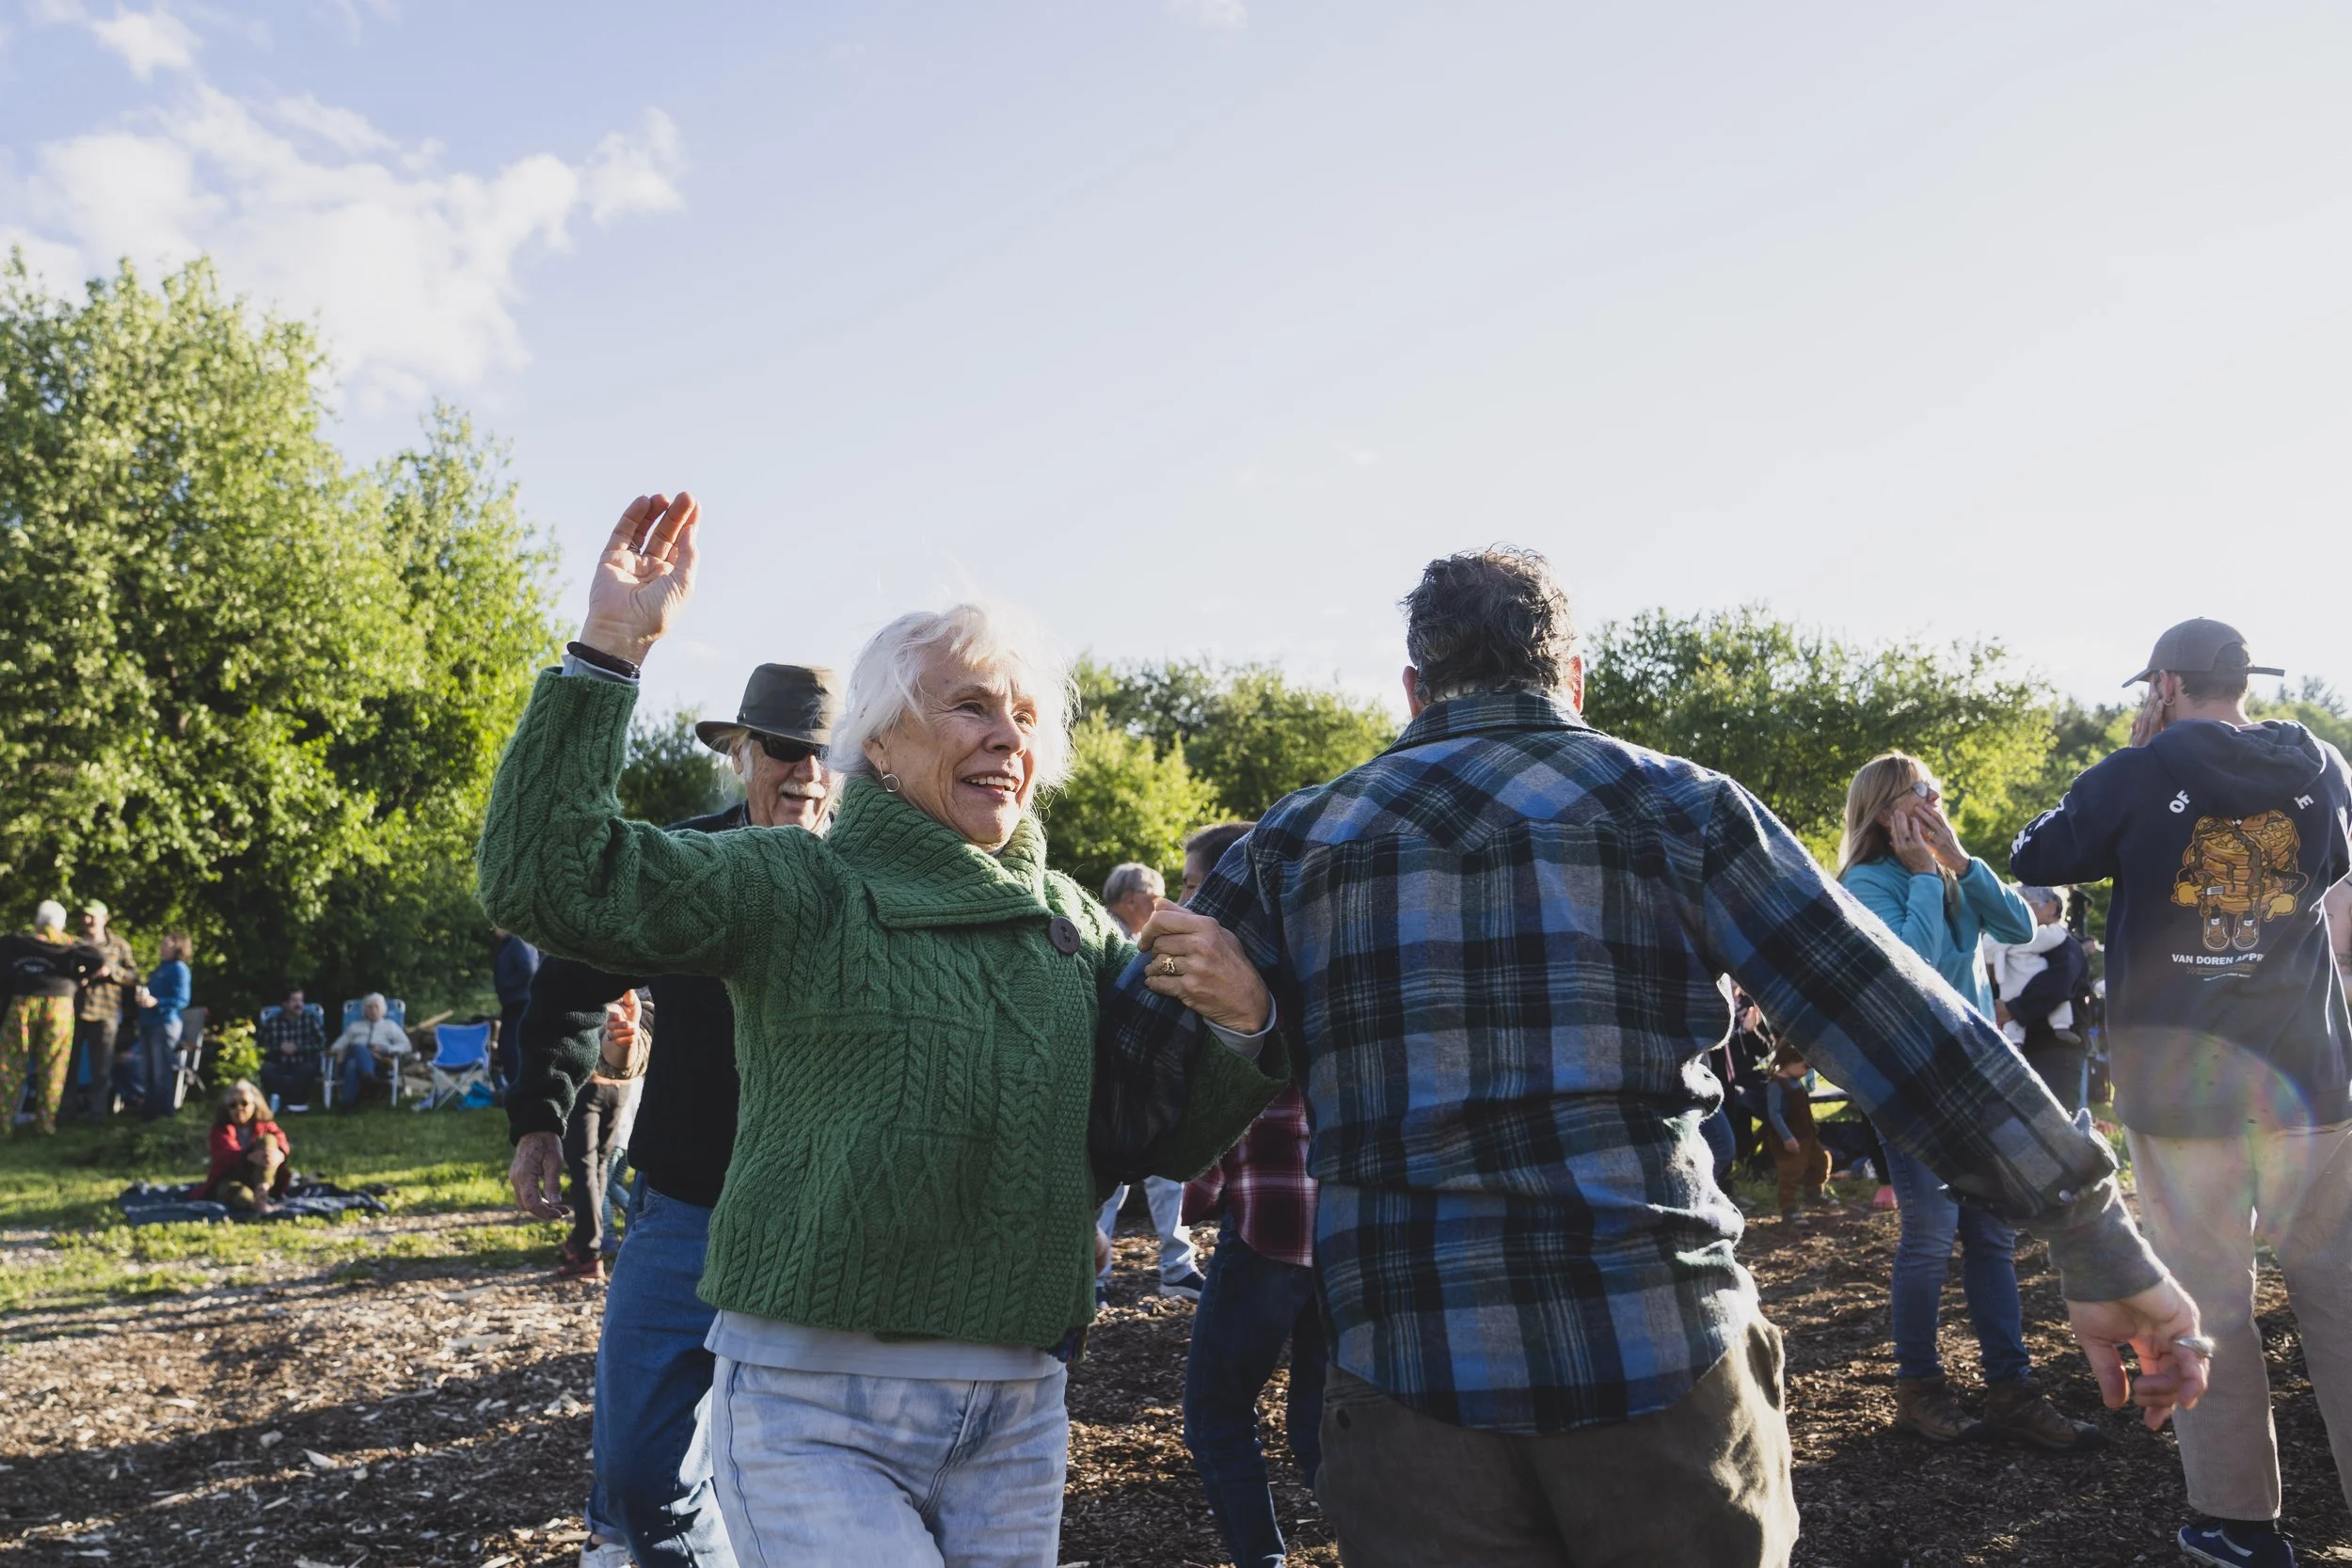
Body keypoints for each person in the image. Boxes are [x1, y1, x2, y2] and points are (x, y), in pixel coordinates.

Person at [1094, 546, 2205, 1567]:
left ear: (1412, 687)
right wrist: (2096, 1241)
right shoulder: (1684, 807)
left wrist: (1261, 1029)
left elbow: (1136, 1099)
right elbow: (1900, 1025)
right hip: (1658, 1358)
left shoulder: (1292, 841)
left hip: (1408, 1384)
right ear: (1572, 676)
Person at [478, 493, 1288, 1564]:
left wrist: (1245, 1023)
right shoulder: (798, 882)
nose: (1006, 734)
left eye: (1027, 717)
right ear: (883, 745)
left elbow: (1162, 1139)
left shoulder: (1074, 927)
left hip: (1018, 1401)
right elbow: (549, 880)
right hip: (812, 1402)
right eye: (968, 706)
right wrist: (610, 650)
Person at [2013, 618, 2352, 1568]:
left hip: (2187, 1098)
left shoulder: (2138, 769)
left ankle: (2236, 1523)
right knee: (2344, 1296)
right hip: (2309, 1085)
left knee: (2207, 1302)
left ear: (2162, 682)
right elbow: (2332, 870)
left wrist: (2137, 772)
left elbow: (2033, 851)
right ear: (2246, 679)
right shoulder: (2320, 762)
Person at [508, 657, 841, 1568]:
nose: (808, 770)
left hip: (836, 1222)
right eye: (784, 747)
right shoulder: (689, 863)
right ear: (740, 753)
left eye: (830, 750)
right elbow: (570, 979)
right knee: (639, 1471)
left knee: (811, 1482)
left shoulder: (879, 883)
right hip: (685, 1206)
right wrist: (540, 1113)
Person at [1837, 751, 2102, 1452]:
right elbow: (1909, 967)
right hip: (1911, 1083)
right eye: (1922, 794)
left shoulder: (1947, 872)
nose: (1934, 803)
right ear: (1888, 807)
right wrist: (1925, 876)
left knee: (1991, 1234)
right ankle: (1918, 1389)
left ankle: (2012, 1390)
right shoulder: (1863, 883)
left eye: (1935, 794)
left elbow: (2019, 927)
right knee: (1929, 1234)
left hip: (1977, 1074)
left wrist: (1958, 860)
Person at [1179, 816, 1326, 1568]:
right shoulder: (1314, 952)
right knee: (1315, 1428)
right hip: (1334, 1222)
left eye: (1193, 885)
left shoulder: (1238, 978)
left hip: (1272, 1222)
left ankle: (1261, 1560)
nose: (1181, 902)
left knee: (1213, 1411)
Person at [1096, 855, 1208, 1304]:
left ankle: (1176, 1268)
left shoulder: (1141, 936)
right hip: (1111, 1084)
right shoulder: (1104, 932)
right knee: (1107, 1184)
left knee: (1165, 1177)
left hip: (1146, 1080)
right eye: (1154, 893)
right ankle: (1092, 1280)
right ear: (1128, 898)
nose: (1164, 901)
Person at [559, 991, 649, 1284]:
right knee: (598, 1166)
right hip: (620, 1086)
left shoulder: (586, 975)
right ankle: (588, 1241)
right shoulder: (628, 981)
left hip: (591, 1084)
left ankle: (588, 1251)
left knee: (585, 1167)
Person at [0, 902, 108, 1136]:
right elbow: (97, 959)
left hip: (22, 1004)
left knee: (10, 1064)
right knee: (54, 1067)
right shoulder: (70, 947)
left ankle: (3, 1125)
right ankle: (45, 1125)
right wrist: (79, 973)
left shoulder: (16, 942)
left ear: (38, 921)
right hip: (59, 1006)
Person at [1985, 885, 2092, 1113]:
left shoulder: (2065, 944)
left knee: (2057, 1120)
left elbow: (2057, 986)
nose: (2017, 912)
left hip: (2056, 1048)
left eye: (2025, 905)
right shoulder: (2007, 943)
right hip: (2018, 1044)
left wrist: (2012, 1008)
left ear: (2051, 908)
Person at [71, 900, 139, 1123]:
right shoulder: (74, 944)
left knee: (101, 1069)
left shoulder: (119, 945)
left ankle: (97, 1117)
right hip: (74, 1012)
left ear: (104, 918)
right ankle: (65, 1114)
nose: (86, 920)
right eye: (84, 916)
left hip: (106, 1012)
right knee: (68, 1066)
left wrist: (112, 971)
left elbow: (134, 977)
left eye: (91, 916)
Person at [199, 1079, 290, 1210]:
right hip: (232, 1177)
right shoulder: (220, 1130)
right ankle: (255, 1204)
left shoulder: (267, 1126)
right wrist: (247, 1156)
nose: (239, 1108)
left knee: (268, 1140)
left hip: (264, 1175)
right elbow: (223, 1154)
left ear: (254, 1105)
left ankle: (262, 1188)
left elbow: (281, 1142)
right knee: (236, 1192)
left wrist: (280, 1154)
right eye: (233, 1105)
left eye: (244, 1103)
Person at [1763, 1047, 1829, 1223]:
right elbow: (1774, 1114)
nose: (1808, 1071)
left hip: (1807, 1135)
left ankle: (1814, 1192)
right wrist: (1787, 1137)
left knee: (1821, 1160)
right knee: (1791, 1173)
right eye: (1806, 1067)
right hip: (1790, 1137)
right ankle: (1789, 1209)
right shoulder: (1777, 1085)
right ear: (1790, 1062)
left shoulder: (1795, 1080)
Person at [135, 933, 193, 1119]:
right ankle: (150, 1112)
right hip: (148, 1024)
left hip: (166, 1023)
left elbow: (182, 999)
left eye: (165, 943)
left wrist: (157, 1002)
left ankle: (165, 1113)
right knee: (149, 1070)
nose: (161, 946)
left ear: (177, 946)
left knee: (161, 1070)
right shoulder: (160, 969)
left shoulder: (179, 969)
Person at [327, 992, 411, 1113]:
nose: (372, 1010)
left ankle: (347, 1104)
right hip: (353, 1058)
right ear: (365, 1010)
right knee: (357, 1048)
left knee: (353, 1064)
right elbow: (338, 1044)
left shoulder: (390, 1026)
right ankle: (369, 1079)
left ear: (383, 1010)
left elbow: (406, 1045)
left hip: (378, 1063)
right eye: (369, 1007)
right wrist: (338, 1051)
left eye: (376, 1007)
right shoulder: (355, 1026)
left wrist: (386, 1049)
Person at [256, 986, 326, 1111]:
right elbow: (260, 1046)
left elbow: (321, 1043)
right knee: (266, 1069)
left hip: (302, 1061)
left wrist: (299, 1048)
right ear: (285, 1004)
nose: (299, 1004)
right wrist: (279, 1048)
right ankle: (288, 1103)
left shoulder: (310, 1019)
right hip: (278, 1063)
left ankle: (290, 1103)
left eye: (301, 1001)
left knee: (309, 1069)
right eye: (294, 1001)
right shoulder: (273, 1022)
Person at [492, 927, 541, 1088]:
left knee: (511, 1046)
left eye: (496, 924)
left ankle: (519, 1087)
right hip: (513, 1002)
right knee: (508, 1045)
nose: (494, 929)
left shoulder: (519, 941)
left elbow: (529, 969)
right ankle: (516, 1086)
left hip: (520, 1002)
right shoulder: (511, 943)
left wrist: (507, 986)